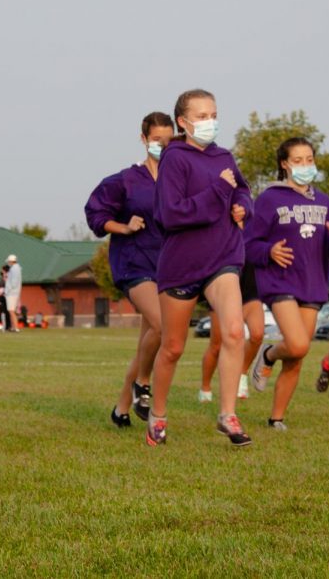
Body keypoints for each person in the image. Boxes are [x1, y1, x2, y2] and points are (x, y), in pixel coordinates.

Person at [147, 89, 253, 447]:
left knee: (235, 332)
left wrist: (242, 208)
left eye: (213, 114)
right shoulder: (174, 159)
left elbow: (242, 190)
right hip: (181, 264)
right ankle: (157, 415)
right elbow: (172, 214)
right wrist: (219, 192)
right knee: (173, 347)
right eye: (202, 116)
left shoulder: (224, 156)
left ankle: (227, 414)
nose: (210, 122)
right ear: (183, 121)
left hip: (223, 256)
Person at [85, 111, 174, 427]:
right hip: (134, 263)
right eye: (156, 140)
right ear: (143, 139)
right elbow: (95, 215)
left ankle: (121, 409)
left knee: (147, 340)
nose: (162, 145)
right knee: (163, 326)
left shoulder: (179, 180)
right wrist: (123, 227)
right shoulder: (124, 180)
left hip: (169, 265)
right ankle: (142, 386)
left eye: (168, 140)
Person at [246, 138, 329, 429]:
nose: (306, 165)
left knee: (298, 355)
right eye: (298, 160)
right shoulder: (269, 198)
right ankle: (269, 353)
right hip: (279, 281)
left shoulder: (324, 202)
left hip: (313, 283)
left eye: (310, 159)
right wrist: (268, 251)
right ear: (285, 163)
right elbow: (248, 244)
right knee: (295, 344)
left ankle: (276, 418)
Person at [198, 263, 265, 402]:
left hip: (249, 290)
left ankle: (241, 375)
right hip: (222, 287)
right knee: (216, 346)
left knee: (257, 334)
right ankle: (205, 387)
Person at [4, 255, 22, 332]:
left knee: (11, 311)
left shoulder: (14, 269)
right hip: (13, 292)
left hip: (12, 293)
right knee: (11, 310)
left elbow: (13, 282)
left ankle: (16, 328)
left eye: (8, 261)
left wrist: (7, 291)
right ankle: (13, 327)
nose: (8, 262)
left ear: (11, 261)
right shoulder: (15, 268)